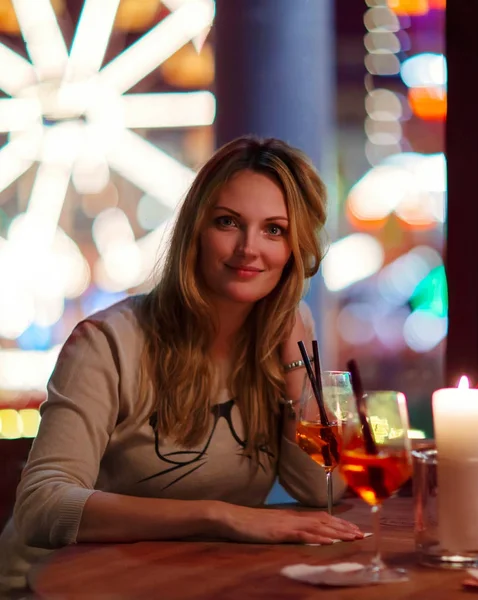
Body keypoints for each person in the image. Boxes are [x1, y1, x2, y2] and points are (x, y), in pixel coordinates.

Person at [0, 136, 363, 593]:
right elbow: (41, 506)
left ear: (296, 247)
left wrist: (297, 373)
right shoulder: (108, 342)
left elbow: (321, 489)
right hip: (54, 586)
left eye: (274, 229)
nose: (249, 248)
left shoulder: (287, 334)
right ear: (195, 230)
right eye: (228, 222)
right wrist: (219, 516)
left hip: (181, 580)